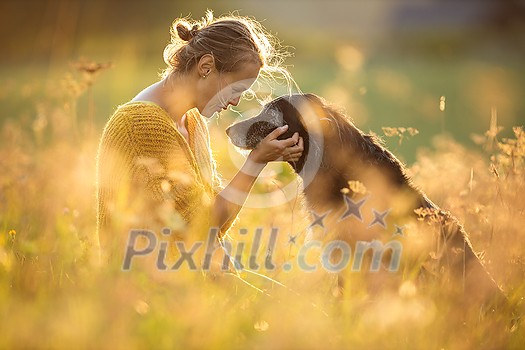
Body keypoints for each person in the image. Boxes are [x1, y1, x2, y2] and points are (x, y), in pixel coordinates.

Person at [96, 11, 303, 265]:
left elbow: (214, 227)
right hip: (143, 285)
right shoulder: (142, 124)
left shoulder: (192, 122)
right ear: (206, 67)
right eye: (235, 89)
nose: (235, 101)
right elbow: (201, 227)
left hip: (183, 276)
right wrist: (256, 161)